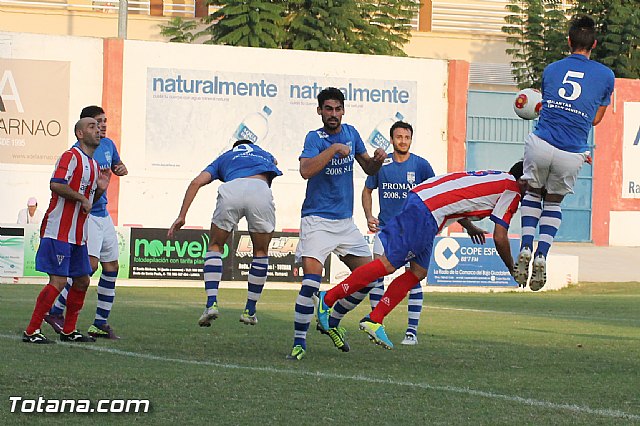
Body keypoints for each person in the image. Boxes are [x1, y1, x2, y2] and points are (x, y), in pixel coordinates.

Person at [316, 162, 526, 349]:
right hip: (427, 211)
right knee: (388, 264)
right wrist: (512, 268)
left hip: (428, 204)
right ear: (525, 180)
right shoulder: (514, 190)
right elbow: (500, 237)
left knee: (418, 271)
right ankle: (329, 298)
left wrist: (469, 227)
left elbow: (459, 198)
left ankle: (375, 318)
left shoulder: (498, 177)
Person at [514, 15, 615, 292]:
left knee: (533, 194)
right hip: (571, 152)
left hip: (541, 143)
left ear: (568, 41)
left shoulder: (552, 69)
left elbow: (545, 105)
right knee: (554, 202)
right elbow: (595, 120)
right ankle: (543, 254)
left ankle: (524, 246)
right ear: (594, 43)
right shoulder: (606, 76)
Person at [287, 87, 387, 361]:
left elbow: (368, 168)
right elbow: (306, 171)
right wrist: (332, 150)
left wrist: (377, 162)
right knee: (310, 282)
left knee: (371, 277)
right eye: (327, 109)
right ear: (319, 111)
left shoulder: (351, 133)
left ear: (343, 110)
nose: (333, 114)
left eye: (337, 109)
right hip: (317, 220)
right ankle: (299, 344)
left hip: (345, 222)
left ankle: (333, 318)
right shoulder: (315, 138)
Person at [168, 139, 282, 327]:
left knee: (215, 246)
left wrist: (182, 216)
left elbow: (196, 182)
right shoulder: (263, 152)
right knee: (260, 252)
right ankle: (250, 310)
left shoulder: (225, 157)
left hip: (232, 189)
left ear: (235, 148)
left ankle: (211, 302)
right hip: (259, 188)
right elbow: (275, 162)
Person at [22, 117, 110, 344]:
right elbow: (56, 184)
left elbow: (89, 202)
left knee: (82, 281)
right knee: (59, 281)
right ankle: (31, 331)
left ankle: (68, 330)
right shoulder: (70, 156)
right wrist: (82, 197)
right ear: (80, 134)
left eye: (99, 127)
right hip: (58, 231)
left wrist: (99, 190)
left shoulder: (93, 165)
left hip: (78, 235)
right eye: (92, 127)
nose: (98, 130)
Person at [44, 106, 128, 340]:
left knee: (111, 267)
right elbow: (62, 183)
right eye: (97, 122)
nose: (102, 126)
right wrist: (83, 199)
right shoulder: (77, 153)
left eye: (104, 121)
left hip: (104, 214)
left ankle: (100, 323)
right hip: (87, 214)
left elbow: (117, 166)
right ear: (84, 127)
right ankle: (56, 311)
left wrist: (120, 168)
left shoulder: (109, 145)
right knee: (87, 268)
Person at [362, 120, 435, 345]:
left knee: (413, 279)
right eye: (399, 137)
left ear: (411, 139)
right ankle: (376, 324)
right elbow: (367, 190)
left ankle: (411, 331)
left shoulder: (421, 166)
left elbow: (435, 193)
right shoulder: (382, 165)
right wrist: (368, 215)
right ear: (392, 139)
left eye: (407, 137)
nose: (403, 141)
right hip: (386, 230)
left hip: (413, 233)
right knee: (376, 277)